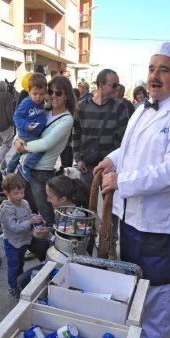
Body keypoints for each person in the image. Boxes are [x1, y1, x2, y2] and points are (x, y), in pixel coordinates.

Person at [95, 42, 170, 338]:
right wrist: (113, 160)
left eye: (164, 70)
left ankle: (156, 336)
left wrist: (122, 180)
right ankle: (137, 325)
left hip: (160, 217)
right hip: (132, 212)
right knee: (134, 270)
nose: (155, 75)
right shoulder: (143, 108)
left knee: (157, 280)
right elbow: (132, 149)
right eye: (151, 69)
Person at [72, 68, 129, 259]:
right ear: (100, 85)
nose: (117, 89)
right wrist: (77, 157)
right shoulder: (82, 106)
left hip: (110, 168)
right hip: (87, 167)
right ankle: (87, 243)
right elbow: (76, 134)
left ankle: (110, 245)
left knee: (111, 210)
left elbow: (124, 141)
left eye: (118, 85)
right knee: (87, 207)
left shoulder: (120, 108)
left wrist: (115, 164)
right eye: (114, 85)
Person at [13, 75, 76, 227]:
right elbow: (24, 128)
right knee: (25, 211)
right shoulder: (44, 110)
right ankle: (32, 244)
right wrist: (16, 140)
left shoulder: (66, 119)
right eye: (51, 91)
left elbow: (46, 143)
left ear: (66, 95)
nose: (53, 95)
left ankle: (48, 247)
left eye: (58, 93)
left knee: (46, 214)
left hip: (41, 173)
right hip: (24, 168)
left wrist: (23, 147)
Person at [17, 175, 90, 290]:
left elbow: (72, 249)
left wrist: (48, 235)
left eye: (50, 197)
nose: (47, 200)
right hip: (57, 252)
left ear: (63, 199)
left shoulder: (78, 218)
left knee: (22, 281)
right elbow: (60, 231)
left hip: (68, 262)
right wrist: (45, 230)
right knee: (29, 237)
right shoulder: (65, 209)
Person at [0, 173, 46, 299]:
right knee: (14, 265)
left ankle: (19, 282)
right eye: (16, 194)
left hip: (25, 240)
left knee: (20, 263)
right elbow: (14, 227)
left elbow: (29, 215)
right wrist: (30, 222)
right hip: (12, 243)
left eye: (22, 192)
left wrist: (36, 219)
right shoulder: (6, 210)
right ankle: (12, 286)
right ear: (6, 193)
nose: (20, 196)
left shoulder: (25, 203)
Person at [6, 73, 47, 182]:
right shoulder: (26, 103)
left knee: (19, 152)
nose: (38, 97)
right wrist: (26, 125)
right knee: (40, 149)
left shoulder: (42, 103)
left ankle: (8, 170)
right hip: (27, 133)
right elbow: (16, 116)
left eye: (41, 94)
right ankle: (26, 166)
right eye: (35, 94)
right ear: (29, 93)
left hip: (33, 133)